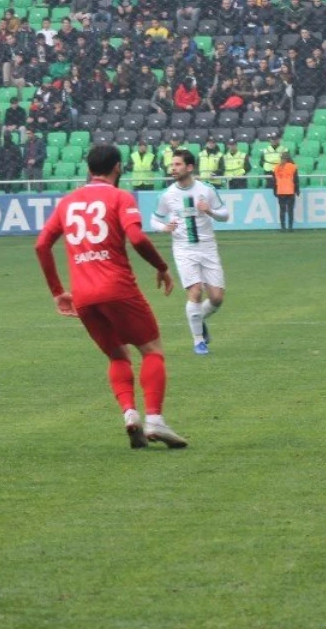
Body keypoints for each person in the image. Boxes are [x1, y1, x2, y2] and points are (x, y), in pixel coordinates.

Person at [34, 144, 187, 449]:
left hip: (83, 295)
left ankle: (131, 415)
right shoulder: (120, 197)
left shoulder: (68, 202)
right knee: (152, 350)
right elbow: (137, 237)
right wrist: (162, 267)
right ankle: (154, 420)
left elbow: (41, 245)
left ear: (89, 169)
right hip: (118, 288)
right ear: (118, 167)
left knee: (117, 355)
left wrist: (57, 292)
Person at [150, 149, 230, 356]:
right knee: (195, 291)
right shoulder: (167, 195)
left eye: (177, 164)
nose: (172, 168)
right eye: (172, 164)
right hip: (184, 249)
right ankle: (198, 341)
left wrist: (210, 211)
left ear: (189, 167)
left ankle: (199, 319)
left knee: (217, 298)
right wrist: (164, 227)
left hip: (208, 248)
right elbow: (154, 220)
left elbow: (225, 215)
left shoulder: (207, 190)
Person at [273, 151, 299, 231]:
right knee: (290, 209)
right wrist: (297, 190)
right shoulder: (293, 167)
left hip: (280, 191)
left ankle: (283, 227)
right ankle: (290, 227)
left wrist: (275, 190)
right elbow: (296, 180)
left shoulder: (276, 167)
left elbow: (274, 180)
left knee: (282, 210)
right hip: (290, 191)